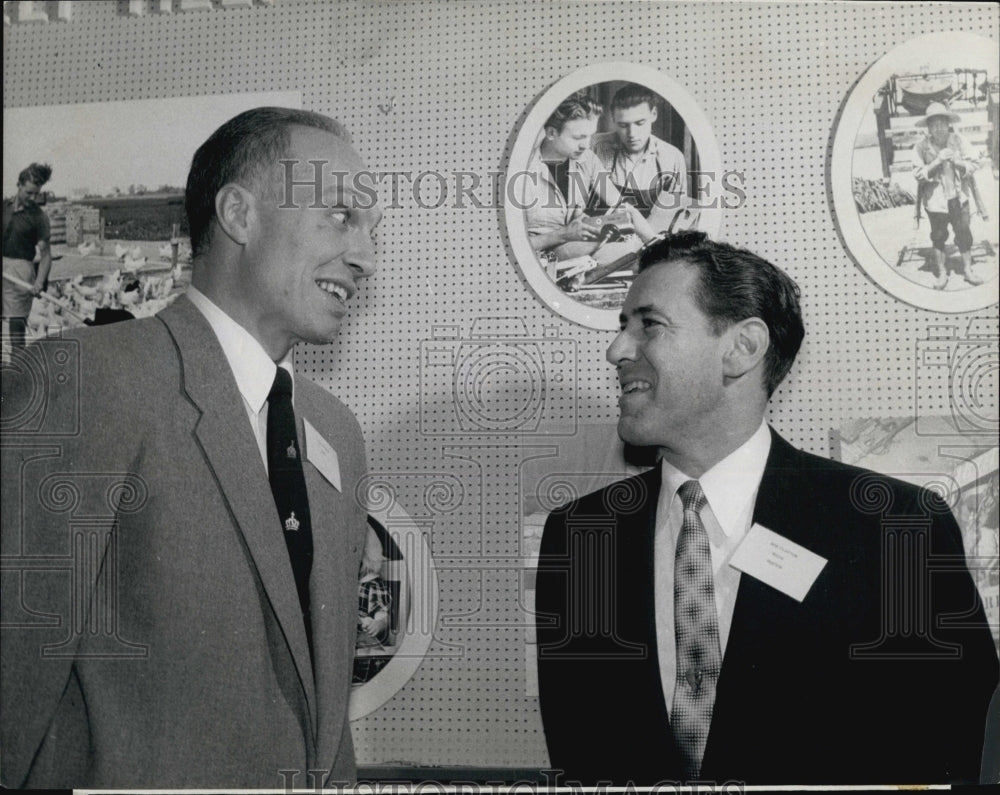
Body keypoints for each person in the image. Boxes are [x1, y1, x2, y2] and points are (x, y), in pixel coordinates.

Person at [1, 107, 382, 788]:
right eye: (340, 216)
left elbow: (323, 722)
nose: (365, 256)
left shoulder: (337, 436)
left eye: (371, 229)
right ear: (239, 213)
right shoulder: (88, 381)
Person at [536, 230, 998, 785]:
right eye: (621, 326)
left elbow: (956, 742)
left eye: (648, 324)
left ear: (742, 348)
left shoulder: (896, 527)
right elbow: (581, 750)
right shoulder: (582, 534)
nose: (617, 350)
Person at [522, 92, 651, 260]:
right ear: (552, 133)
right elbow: (509, 247)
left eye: (590, 135)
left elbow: (623, 207)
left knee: (635, 248)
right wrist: (563, 235)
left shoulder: (587, 158)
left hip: (574, 250)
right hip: (537, 260)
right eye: (578, 137)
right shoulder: (522, 169)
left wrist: (655, 241)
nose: (586, 144)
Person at [592, 84, 688, 227]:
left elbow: (673, 220)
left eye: (640, 123)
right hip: (600, 234)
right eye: (623, 125)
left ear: (653, 114)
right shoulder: (594, 147)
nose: (632, 134)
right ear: (613, 118)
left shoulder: (672, 158)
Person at [913, 101, 984, 288]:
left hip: (959, 198)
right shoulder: (921, 147)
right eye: (934, 125)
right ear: (928, 127)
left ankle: (968, 270)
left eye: (942, 124)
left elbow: (975, 163)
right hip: (935, 201)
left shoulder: (959, 141)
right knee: (938, 235)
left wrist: (957, 161)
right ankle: (942, 274)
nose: (939, 128)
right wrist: (937, 161)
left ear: (948, 124)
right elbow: (918, 173)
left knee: (963, 231)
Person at [2, 162, 53, 349]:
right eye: (29, 192)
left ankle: (18, 374)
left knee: (16, 331)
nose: (33, 198)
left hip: (20, 273)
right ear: (19, 185)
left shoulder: (39, 218)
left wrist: (39, 282)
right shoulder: (4, 207)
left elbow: (46, 255)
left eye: (36, 193)